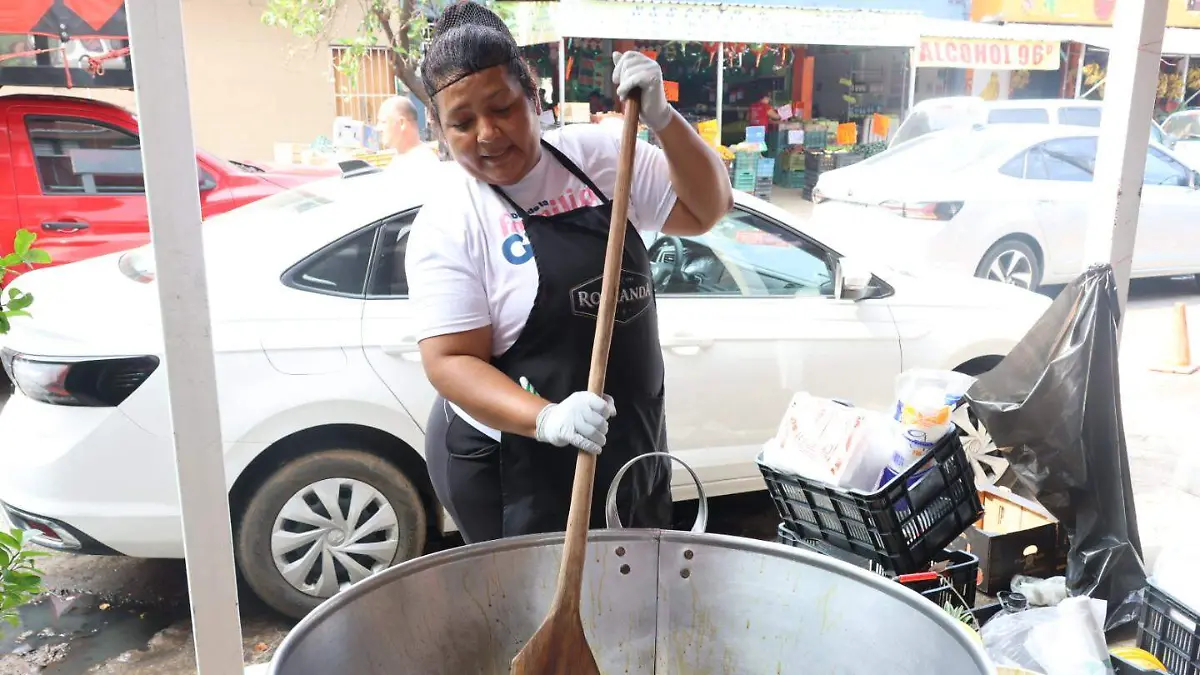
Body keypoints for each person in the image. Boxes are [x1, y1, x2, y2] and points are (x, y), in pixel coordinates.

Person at [406, 2, 733, 544]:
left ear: (532, 96)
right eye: (462, 123)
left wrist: (665, 121)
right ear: (439, 130)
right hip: (512, 465)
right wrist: (548, 419)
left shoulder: (605, 157)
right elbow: (449, 361)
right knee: (526, 618)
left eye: (503, 108)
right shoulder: (450, 221)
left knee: (630, 606)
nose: (487, 134)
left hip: (629, 444)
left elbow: (707, 209)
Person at [376, 96, 440, 169]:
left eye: (383, 122)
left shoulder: (422, 164)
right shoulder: (400, 159)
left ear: (401, 123)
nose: (378, 128)